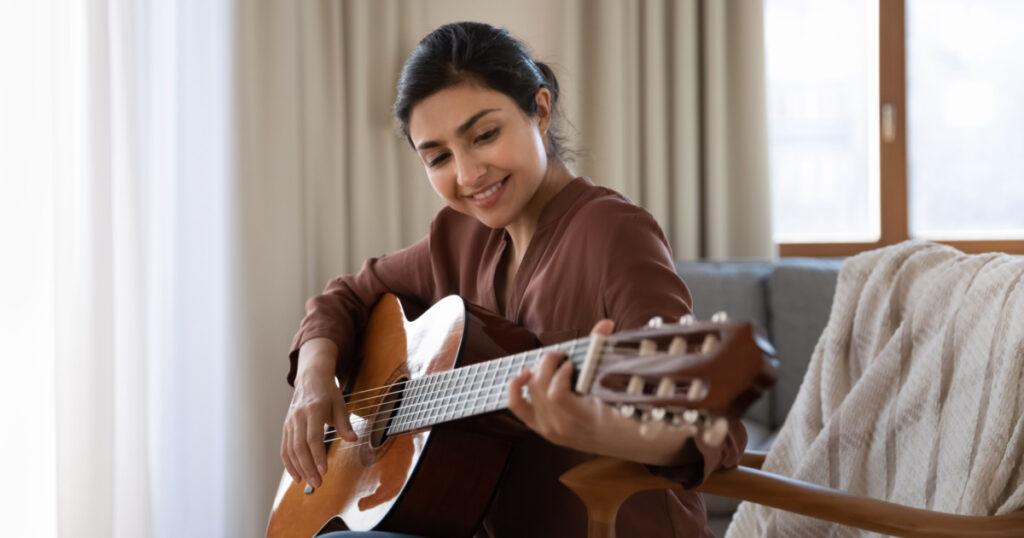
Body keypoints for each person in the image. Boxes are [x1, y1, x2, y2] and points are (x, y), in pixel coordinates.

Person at [282, 21, 746, 538]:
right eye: (438, 158)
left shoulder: (615, 234)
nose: (467, 175)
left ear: (540, 111)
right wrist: (313, 377)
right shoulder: (458, 236)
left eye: (484, 136)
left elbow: (712, 428)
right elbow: (348, 293)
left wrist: (604, 429)